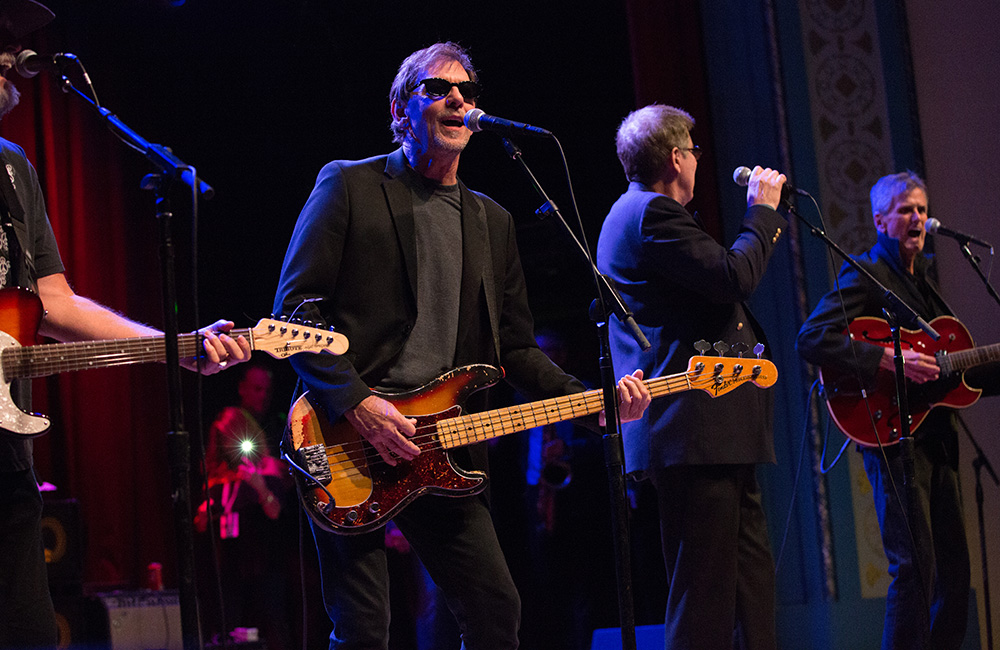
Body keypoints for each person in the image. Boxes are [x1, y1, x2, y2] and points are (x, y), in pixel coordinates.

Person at [272, 41, 650, 650]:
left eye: (467, 91)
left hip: (442, 443)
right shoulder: (348, 185)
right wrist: (358, 404)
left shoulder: (492, 221)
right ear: (399, 110)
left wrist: (594, 400)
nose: (457, 98)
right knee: (366, 629)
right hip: (345, 435)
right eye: (437, 88)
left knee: (496, 610)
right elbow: (295, 310)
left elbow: (517, 350)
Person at [0, 1, 251, 647]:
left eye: (16, 40)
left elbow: (53, 303)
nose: (11, 54)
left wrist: (173, 348)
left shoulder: (13, 169)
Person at [595, 104, 787, 650]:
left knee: (751, 598)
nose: (698, 162)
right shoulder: (651, 214)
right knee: (704, 603)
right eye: (695, 152)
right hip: (692, 430)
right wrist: (763, 213)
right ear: (678, 158)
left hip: (714, 432)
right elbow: (733, 276)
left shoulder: (640, 213)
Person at [797, 171, 998, 650]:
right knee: (914, 568)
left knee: (954, 573)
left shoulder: (925, 283)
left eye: (923, 210)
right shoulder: (867, 275)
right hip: (892, 436)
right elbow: (812, 338)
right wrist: (886, 358)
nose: (918, 219)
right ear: (881, 219)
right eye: (907, 209)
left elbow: (955, 376)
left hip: (936, 435)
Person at [199, 363, 293, 650]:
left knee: (272, 604)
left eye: (267, 390)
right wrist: (265, 492)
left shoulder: (276, 423)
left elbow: (281, 472)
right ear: (242, 389)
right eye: (256, 388)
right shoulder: (232, 419)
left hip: (267, 535)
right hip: (235, 532)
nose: (263, 395)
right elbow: (240, 469)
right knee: (233, 603)